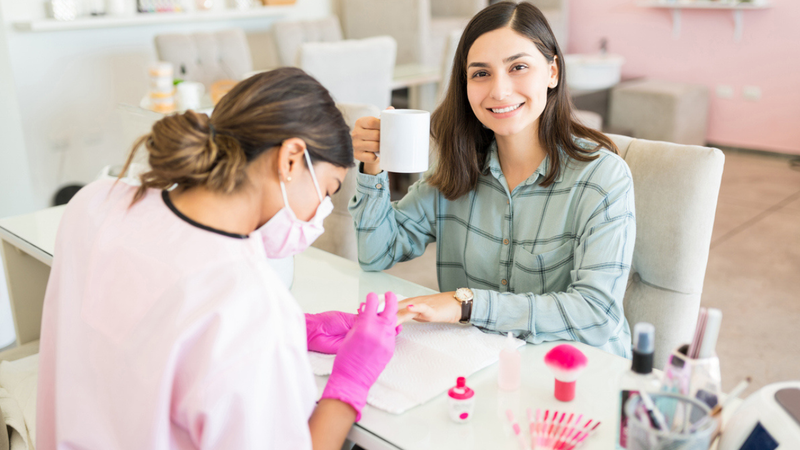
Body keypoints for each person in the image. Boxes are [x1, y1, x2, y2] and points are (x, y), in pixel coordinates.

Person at [36, 67, 399, 450]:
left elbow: (141, 323)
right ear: (291, 159)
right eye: (328, 190)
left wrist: (296, 328)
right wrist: (351, 382)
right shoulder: (248, 299)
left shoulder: (95, 202)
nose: (321, 214)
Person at [349, 1, 636, 357]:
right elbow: (375, 253)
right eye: (481, 73)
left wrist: (466, 304)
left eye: (518, 67)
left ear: (552, 72)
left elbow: (596, 314)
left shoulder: (601, 177)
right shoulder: (458, 166)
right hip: (484, 366)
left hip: (579, 378)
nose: (499, 91)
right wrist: (372, 168)